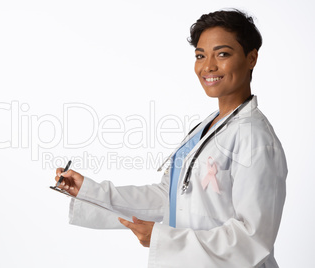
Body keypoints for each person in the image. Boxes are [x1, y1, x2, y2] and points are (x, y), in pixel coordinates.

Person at [54, 9, 287, 268]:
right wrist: (90, 190)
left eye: (222, 54)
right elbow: (170, 197)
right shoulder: (209, 126)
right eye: (200, 55)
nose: (208, 66)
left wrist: (165, 239)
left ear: (251, 58)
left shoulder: (255, 138)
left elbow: (252, 238)